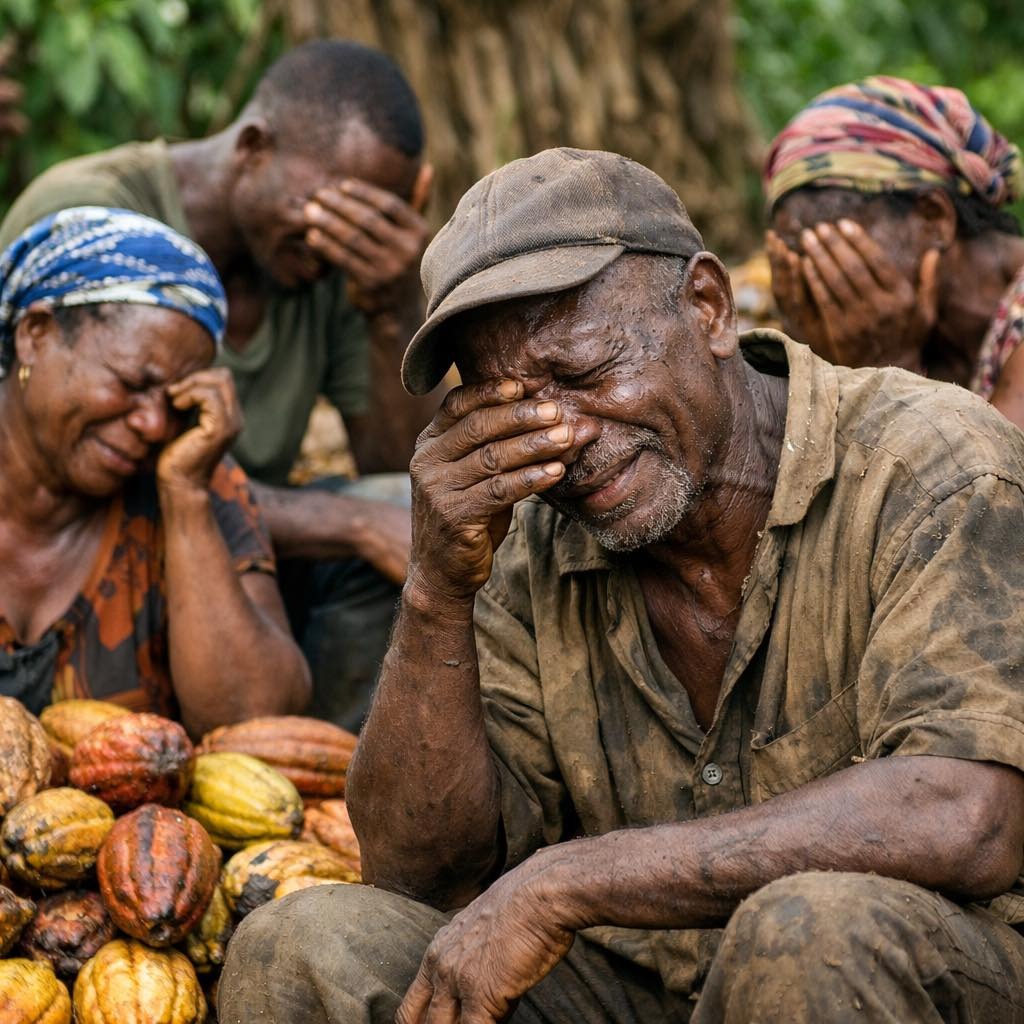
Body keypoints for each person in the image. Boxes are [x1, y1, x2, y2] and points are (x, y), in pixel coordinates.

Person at [220, 149, 1024, 1022]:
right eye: (512, 409)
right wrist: (436, 590)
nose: (561, 438)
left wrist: (567, 882)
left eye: (586, 373)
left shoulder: (933, 462)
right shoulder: (530, 537)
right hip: (641, 985)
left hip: (905, 970)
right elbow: (422, 874)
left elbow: (965, 815)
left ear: (708, 307)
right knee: (303, 947)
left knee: (809, 930)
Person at [0, 39, 438, 729]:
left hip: (210, 527)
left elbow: (401, 468)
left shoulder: (329, 270)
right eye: (334, 213)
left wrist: (391, 311)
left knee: (416, 516)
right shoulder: (93, 217)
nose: (340, 243)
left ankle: (331, 774)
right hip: (131, 511)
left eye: (370, 226)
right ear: (256, 147)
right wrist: (350, 524)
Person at [0, 206, 310, 738]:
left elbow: (259, 727)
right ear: (36, 334)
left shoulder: (195, 476)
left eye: (174, 402)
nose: (152, 423)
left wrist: (187, 497)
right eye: (131, 382)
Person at [763, 76, 1024, 426]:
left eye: (835, 253)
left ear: (934, 218)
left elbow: (993, 476)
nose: (817, 289)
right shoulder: (936, 346)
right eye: (796, 260)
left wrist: (887, 369)